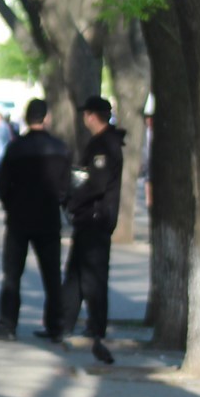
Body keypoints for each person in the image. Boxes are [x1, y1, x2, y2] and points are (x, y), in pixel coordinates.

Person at [0, 98, 70, 343]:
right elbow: (66, 185)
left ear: (26, 117)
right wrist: (57, 201)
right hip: (48, 218)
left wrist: (11, 204)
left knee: (12, 275)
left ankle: (7, 324)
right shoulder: (60, 148)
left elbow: (2, 183)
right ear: (47, 117)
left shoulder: (16, 147)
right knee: (52, 276)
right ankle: (56, 325)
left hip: (19, 218)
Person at [58, 96, 126, 364]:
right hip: (88, 217)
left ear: (92, 115)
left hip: (96, 218)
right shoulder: (102, 142)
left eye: (86, 114)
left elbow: (96, 184)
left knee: (93, 276)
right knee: (75, 273)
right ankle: (64, 321)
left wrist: (74, 200)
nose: (84, 118)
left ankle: (97, 327)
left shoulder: (105, 145)